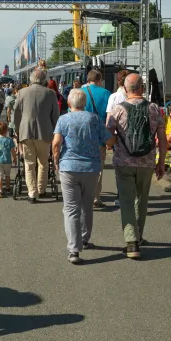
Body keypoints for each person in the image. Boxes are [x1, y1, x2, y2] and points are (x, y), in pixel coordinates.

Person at [107, 74, 167, 259]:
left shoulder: (117, 109)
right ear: (142, 88)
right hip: (147, 161)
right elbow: (162, 139)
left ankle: (131, 242)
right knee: (141, 199)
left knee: (126, 200)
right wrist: (161, 162)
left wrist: (113, 143)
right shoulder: (154, 108)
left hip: (124, 162)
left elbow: (108, 137)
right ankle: (139, 236)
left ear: (125, 89)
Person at [52, 89, 114, 264]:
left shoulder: (63, 119)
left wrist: (56, 161)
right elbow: (109, 140)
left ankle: (74, 249)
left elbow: (56, 143)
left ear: (69, 103)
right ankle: (84, 239)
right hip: (91, 168)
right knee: (86, 206)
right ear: (84, 103)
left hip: (69, 167)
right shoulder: (93, 119)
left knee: (71, 208)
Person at [13, 68, 60, 204]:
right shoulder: (50, 93)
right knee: (43, 162)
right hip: (44, 132)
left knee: (29, 163)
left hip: (26, 132)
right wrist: (56, 132)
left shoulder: (22, 92)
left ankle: (32, 193)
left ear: (31, 79)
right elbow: (55, 115)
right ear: (44, 80)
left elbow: (16, 113)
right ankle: (41, 189)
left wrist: (17, 130)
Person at [81, 70, 112, 208]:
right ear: (99, 80)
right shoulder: (106, 93)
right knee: (98, 168)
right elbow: (110, 116)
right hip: (99, 137)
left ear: (88, 79)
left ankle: (83, 194)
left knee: (83, 166)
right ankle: (95, 197)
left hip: (81, 137)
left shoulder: (79, 93)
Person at [0, 121, 16, 199]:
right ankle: (7, 188)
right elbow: (13, 151)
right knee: (7, 175)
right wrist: (15, 158)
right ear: (6, 130)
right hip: (7, 161)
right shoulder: (9, 140)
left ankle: (0, 191)